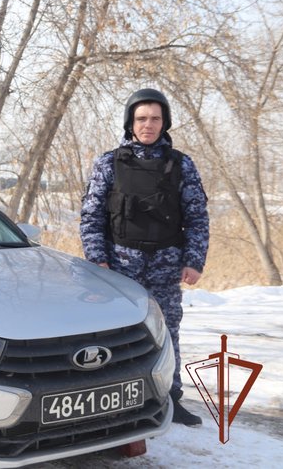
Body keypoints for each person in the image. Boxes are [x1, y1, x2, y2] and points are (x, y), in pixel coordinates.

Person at [79, 88, 209, 427]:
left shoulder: (181, 165)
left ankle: (170, 398)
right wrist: (98, 261)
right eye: (141, 118)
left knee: (167, 332)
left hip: (166, 264)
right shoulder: (109, 163)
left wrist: (194, 260)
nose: (148, 125)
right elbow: (91, 216)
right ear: (130, 122)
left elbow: (197, 216)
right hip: (119, 268)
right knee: (116, 335)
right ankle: (115, 401)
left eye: (154, 118)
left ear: (164, 122)